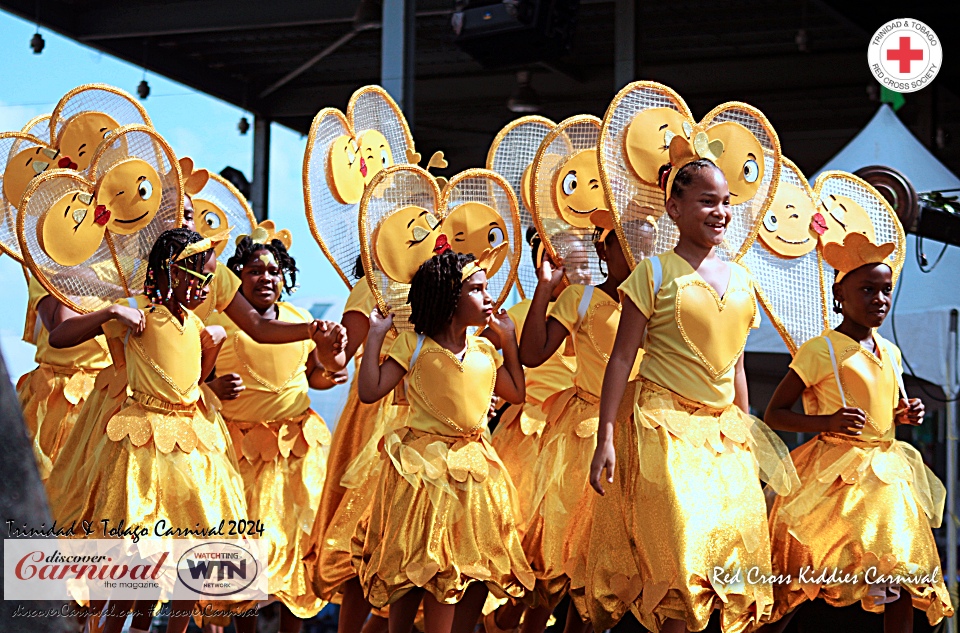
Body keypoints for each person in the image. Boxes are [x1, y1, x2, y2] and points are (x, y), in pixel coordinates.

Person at [579, 159, 797, 633]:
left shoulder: (741, 280)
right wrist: (606, 438)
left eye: (726, 202)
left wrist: (747, 439)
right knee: (681, 558)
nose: (720, 211)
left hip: (724, 439)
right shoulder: (653, 274)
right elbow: (620, 360)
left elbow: (736, 365)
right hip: (665, 431)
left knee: (727, 563)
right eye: (707, 201)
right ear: (674, 209)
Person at [46, 229, 249, 633]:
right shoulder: (135, 314)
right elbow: (59, 336)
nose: (202, 286)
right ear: (165, 272)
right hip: (142, 447)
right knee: (138, 553)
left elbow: (194, 384)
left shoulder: (196, 325)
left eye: (207, 277)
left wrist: (214, 347)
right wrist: (109, 314)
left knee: (195, 550)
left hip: (191, 450)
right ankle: (109, 627)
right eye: (193, 274)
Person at [760, 231, 953, 632]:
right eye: (867, 290)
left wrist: (904, 413)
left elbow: (884, 410)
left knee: (900, 569)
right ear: (840, 293)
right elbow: (775, 412)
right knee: (808, 572)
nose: (879, 300)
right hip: (833, 475)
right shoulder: (821, 350)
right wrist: (825, 423)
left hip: (887, 476)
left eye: (885, 290)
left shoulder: (891, 351)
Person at [355, 247, 535, 633]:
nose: (489, 297)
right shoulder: (413, 346)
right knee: (413, 572)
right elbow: (370, 391)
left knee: (468, 571)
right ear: (450, 296)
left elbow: (516, 392)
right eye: (478, 290)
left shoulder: (485, 350)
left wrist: (508, 341)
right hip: (423, 476)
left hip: (473, 475)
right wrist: (375, 337)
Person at [495, 225, 636, 633]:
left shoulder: (657, 302)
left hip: (633, 435)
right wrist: (544, 289)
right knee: (558, 557)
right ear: (605, 249)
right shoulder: (581, 300)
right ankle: (507, 621)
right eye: (628, 241)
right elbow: (531, 356)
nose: (638, 249)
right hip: (574, 437)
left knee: (604, 567)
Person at [205, 230, 345, 632]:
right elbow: (192, 379)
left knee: (297, 549)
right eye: (254, 271)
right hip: (242, 451)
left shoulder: (301, 320)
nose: (265, 277)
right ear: (237, 278)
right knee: (245, 554)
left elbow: (313, 376)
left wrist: (330, 365)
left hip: (297, 452)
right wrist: (211, 388)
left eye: (274, 270)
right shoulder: (220, 323)